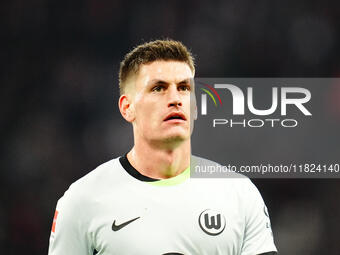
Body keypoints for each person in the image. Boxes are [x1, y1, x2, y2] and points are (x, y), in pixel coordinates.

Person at [48, 39, 277, 255]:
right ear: (127, 108)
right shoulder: (82, 200)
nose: (175, 98)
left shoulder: (239, 193)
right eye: (159, 88)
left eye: (184, 88)